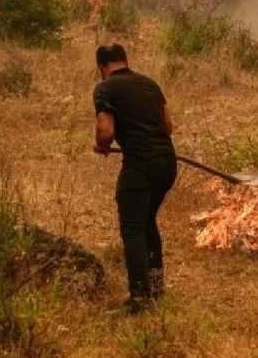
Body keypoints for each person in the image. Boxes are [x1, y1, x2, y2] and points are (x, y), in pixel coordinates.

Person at [92, 43, 177, 315]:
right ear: (125, 60)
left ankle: (138, 298)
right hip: (167, 163)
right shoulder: (150, 84)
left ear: (101, 67)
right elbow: (168, 126)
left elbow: (106, 131)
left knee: (132, 228)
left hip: (141, 165)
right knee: (147, 222)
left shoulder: (105, 88)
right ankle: (156, 288)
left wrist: (102, 145)